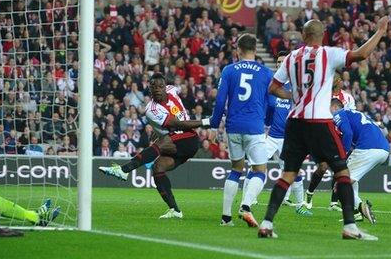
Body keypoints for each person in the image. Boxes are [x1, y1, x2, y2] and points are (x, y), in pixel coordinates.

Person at [258, 16, 389, 240]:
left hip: (295, 122)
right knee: (342, 172)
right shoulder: (328, 53)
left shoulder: (290, 58)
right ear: (322, 35)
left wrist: (296, 97)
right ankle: (350, 227)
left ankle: (267, 223)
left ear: (303, 35)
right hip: (319, 121)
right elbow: (361, 54)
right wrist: (380, 31)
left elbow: (273, 87)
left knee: (288, 174)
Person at [98, 73, 210, 219]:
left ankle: (124, 170)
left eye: (160, 86)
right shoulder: (152, 109)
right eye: (153, 86)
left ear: (165, 87)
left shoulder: (172, 90)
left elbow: (179, 121)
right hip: (178, 141)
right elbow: (175, 123)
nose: (157, 89)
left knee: (161, 142)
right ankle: (175, 210)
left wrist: (205, 122)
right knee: (158, 168)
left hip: (189, 138)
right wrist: (205, 122)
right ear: (149, 89)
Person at [209, 34, 273, 227]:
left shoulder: (229, 70)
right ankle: (245, 206)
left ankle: (226, 218)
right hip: (254, 127)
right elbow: (272, 103)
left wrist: (213, 126)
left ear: (238, 49)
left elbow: (220, 101)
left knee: (236, 169)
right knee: (260, 170)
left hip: (233, 127)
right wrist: (268, 121)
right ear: (255, 49)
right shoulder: (266, 73)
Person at [327, 98, 390, 223]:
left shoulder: (338, 114)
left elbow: (348, 134)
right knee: (349, 179)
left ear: (334, 107)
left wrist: (342, 154)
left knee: (340, 184)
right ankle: (357, 214)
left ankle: (361, 207)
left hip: (368, 148)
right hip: (384, 149)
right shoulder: (355, 113)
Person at [306, 73, 357, 212]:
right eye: (338, 79)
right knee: (322, 167)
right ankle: (309, 195)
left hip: (340, 137)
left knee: (339, 168)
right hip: (324, 135)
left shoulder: (347, 97)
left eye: (340, 79)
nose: (340, 81)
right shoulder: (322, 95)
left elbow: (352, 116)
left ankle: (333, 203)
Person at [264, 52, 306, 212]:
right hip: (272, 136)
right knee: (257, 164)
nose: (280, 64)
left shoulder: (295, 86)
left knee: (293, 171)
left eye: (283, 61)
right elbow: (268, 109)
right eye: (278, 61)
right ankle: (248, 202)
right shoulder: (272, 86)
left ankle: (301, 205)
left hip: (289, 138)